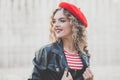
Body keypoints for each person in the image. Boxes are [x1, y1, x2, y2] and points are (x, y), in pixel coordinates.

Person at [28, 1, 93, 80]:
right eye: (54, 21)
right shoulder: (45, 52)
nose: (56, 25)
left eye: (62, 20)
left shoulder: (85, 56)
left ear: (74, 24)